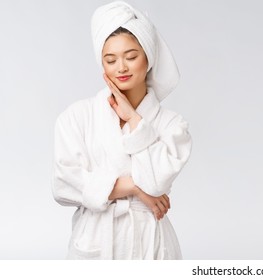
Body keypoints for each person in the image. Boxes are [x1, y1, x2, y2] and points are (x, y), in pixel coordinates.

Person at [52, 1, 192, 260]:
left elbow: (156, 182)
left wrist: (134, 120)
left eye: (131, 57)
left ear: (148, 58)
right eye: (111, 59)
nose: (122, 67)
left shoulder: (172, 125)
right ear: (102, 64)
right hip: (96, 241)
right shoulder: (76, 117)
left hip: (152, 243)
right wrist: (134, 188)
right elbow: (63, 185)